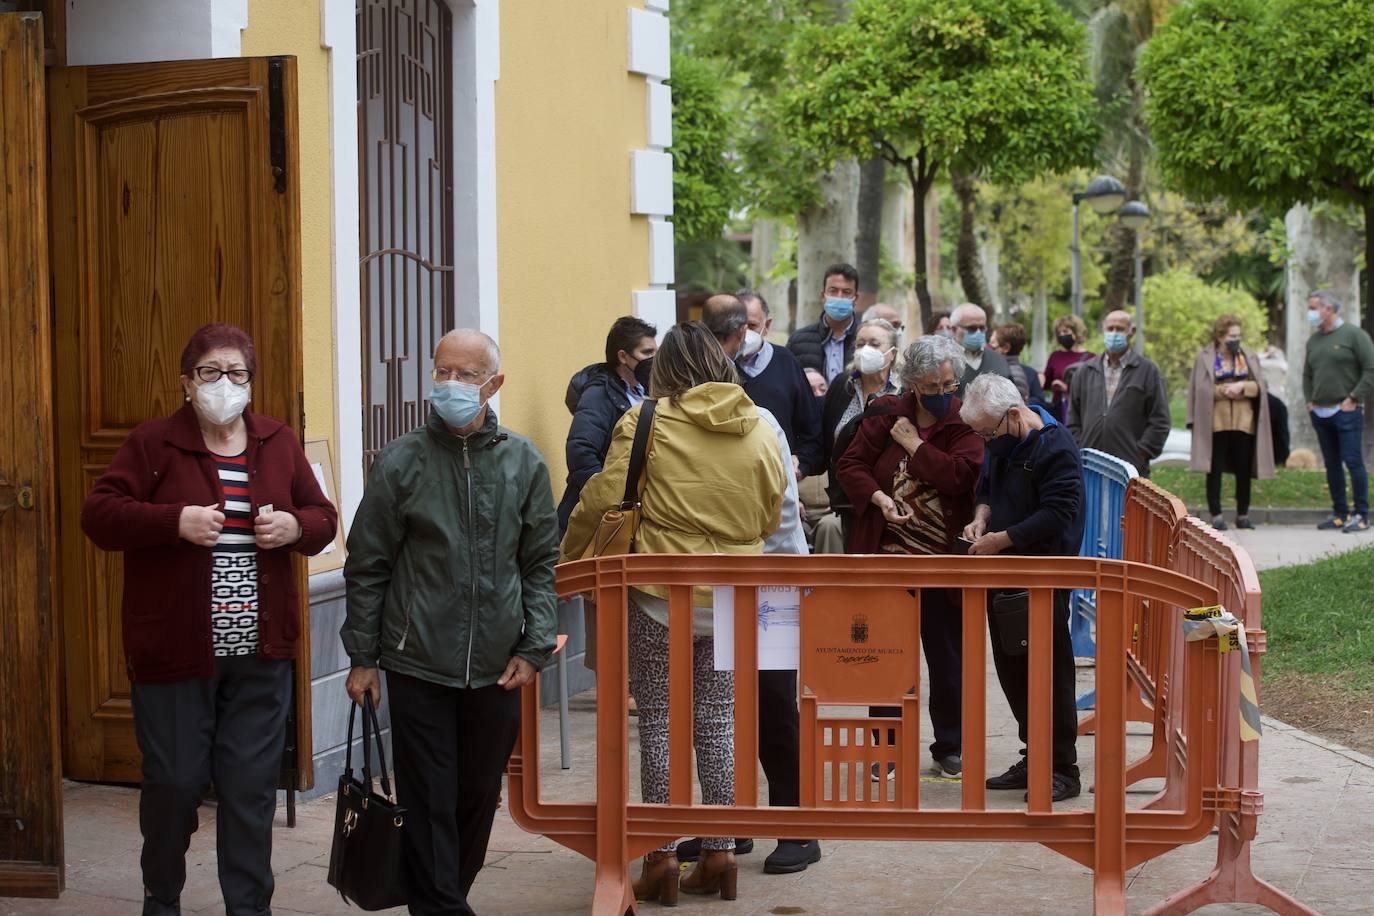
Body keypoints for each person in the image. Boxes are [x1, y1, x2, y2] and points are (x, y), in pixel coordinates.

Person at [80, 323, 338, 916]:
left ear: (251, 382)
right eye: (210, 372)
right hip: (174, 656)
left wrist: (297, 528)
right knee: (173, 784)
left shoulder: (277, 441)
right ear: (186, 382)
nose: (225, 384)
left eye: (237, 373)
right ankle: (161, 895)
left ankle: (249, 908)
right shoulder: (153, 444)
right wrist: (173, 521)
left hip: (260, 655)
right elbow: (100, 515)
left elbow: (323, 517)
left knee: (250, 792)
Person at [563, 322, 790, 901]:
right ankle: (719, 853)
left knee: (661, 722)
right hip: (735, 595)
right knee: (718, 721)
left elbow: (604, 497)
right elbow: (771, 515)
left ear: (664, 370)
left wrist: (567, 559)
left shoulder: (645, 421)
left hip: (658, 592)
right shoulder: (761, 427)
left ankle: (661, 858)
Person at [341, 329, 559, 914]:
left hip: (497, 666)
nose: (452, 384)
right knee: (428, 798)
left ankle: (442, 896)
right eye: (443, 372)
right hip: (418, 662)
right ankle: (441, 906)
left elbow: (541, 563)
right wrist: (363, 657)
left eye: (466, 374)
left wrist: (535, 644)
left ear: (494, 384)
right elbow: (368, 564)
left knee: (474, 797)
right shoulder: (400, 461)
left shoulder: (523, 461)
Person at [836, 334, 984, 779]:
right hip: (888, 560)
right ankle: (885, 747)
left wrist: (916, 447)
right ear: (913, 385)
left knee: (946, 657)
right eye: (934, 388)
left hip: (942, 560)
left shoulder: (964, 422)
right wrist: (880, 499)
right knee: (885, 657)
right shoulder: (885, 416)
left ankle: (950, 745)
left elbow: (961, 476)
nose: (944, 395)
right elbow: (850, 466)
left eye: (950, 385)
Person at [960, 373, 1085, 802]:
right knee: (1014, 670)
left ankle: (1063, 768)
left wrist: (1001, 539)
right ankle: (1036, 755)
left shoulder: (1055, 446)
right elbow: (988, 486)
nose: (983, 440)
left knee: (1049, 673)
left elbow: (1059, 513)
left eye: (985, 432)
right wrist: (981, 518)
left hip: (1044, 576)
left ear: (1013, 415)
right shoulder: (1003, 440)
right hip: (1004, 575)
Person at [707, 291, 824, 479]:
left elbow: (812, 432)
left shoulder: (787, 362)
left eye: (751, 326)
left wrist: (800, 466)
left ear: (766, 325)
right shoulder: (713, 369)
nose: (743, 333)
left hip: (780, 478)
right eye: (738, 326)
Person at [556, 316, 657, 532]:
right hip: (603, 517)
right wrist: (609, 498)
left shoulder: (646, 390)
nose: (654, 359)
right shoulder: (599, 394)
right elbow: (580, 451)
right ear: (623, 356)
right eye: (647, 353)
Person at [814, 317, 901, 553]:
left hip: (888, 500)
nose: (865, 350)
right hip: (844, 500)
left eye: (874, 344)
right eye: (860, 344)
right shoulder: (842, 387)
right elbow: (826, 444)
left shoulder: (903, 393)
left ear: (892, 353)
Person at [1187, 315, 1275, 530]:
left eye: (1238, 335)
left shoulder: (1249, 356)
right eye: (1232, 336)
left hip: (1244, 422)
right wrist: (1223, 390)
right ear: (1220, 336)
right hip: (1215, 423)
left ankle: (1243, 514)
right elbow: (1197, 389)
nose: (1236, 339)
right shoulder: (1205, 357)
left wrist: (1243, 388)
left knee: (1244, 469)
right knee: (1214, 468)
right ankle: (1216, 515)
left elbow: (1262, 385)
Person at [1067, 310, 1171, 477]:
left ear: (1131, 332)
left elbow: (1160, 420)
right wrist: (1081, 450)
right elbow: (1073, 419)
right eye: (1110, 328)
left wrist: (1141, 453)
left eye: (1120, 329)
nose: (1114, 333)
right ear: (1103, 330)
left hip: (1131, 469)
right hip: (1091, 467)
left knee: (1127, 505)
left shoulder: (1147, 371)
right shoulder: (1085, 371)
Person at [1303, 289, 1374, 532]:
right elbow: (1307, 374)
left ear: (1328, 309)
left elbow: (1370, 368)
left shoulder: (1354, 335)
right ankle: (1340, 513)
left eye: (1313, 307)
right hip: (1320, 413)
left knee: (1353, 462)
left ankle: (1362, 515)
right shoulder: (1313, 340)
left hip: (1347, 412)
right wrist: (1309, 401)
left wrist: (1353, 397)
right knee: (1332, 464)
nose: (1310, 312)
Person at [787, 263, 860, 380]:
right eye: (833, 291)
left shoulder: (866, 341)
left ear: (855, 298)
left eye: (846, 292)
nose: (839, 297)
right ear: (823, 295)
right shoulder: (798, 341)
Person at [949, 303, 1015, 395]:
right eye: (972, 328)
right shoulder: (944, 360)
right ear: (953, 329)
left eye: (982, 328)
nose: (978, 332)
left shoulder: (999, 360)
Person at [1043, 315, 1092, 422]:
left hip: (1082, 412)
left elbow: (1093, 388)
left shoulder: (1091, 358)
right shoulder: (1055, 356)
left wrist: (1067, 388)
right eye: (1059, 333)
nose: (1062, 335)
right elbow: (1046, 384)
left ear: (1076, 332)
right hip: (1058, 411)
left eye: (1065, 331)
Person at [992, 322, 1044, 405]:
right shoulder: (1030, 372)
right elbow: (1040, 400)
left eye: (993, 344)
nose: (990, 348)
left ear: (1006, 348)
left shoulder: (995, 372)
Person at [1257, 341, 1291, 466]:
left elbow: (1284, 367)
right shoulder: (1261, 361)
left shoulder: (1280, 362)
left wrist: (1277, 354)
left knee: (1280, 430)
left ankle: (1281, 457)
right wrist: (1265, 355)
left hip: (1278, 398)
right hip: (1265, 397)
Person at [987, 324, 1031, 402]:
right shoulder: (1001, 368)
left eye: (992, 344)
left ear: (1006, 348)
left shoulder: (1013, 375)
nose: (988, 348)